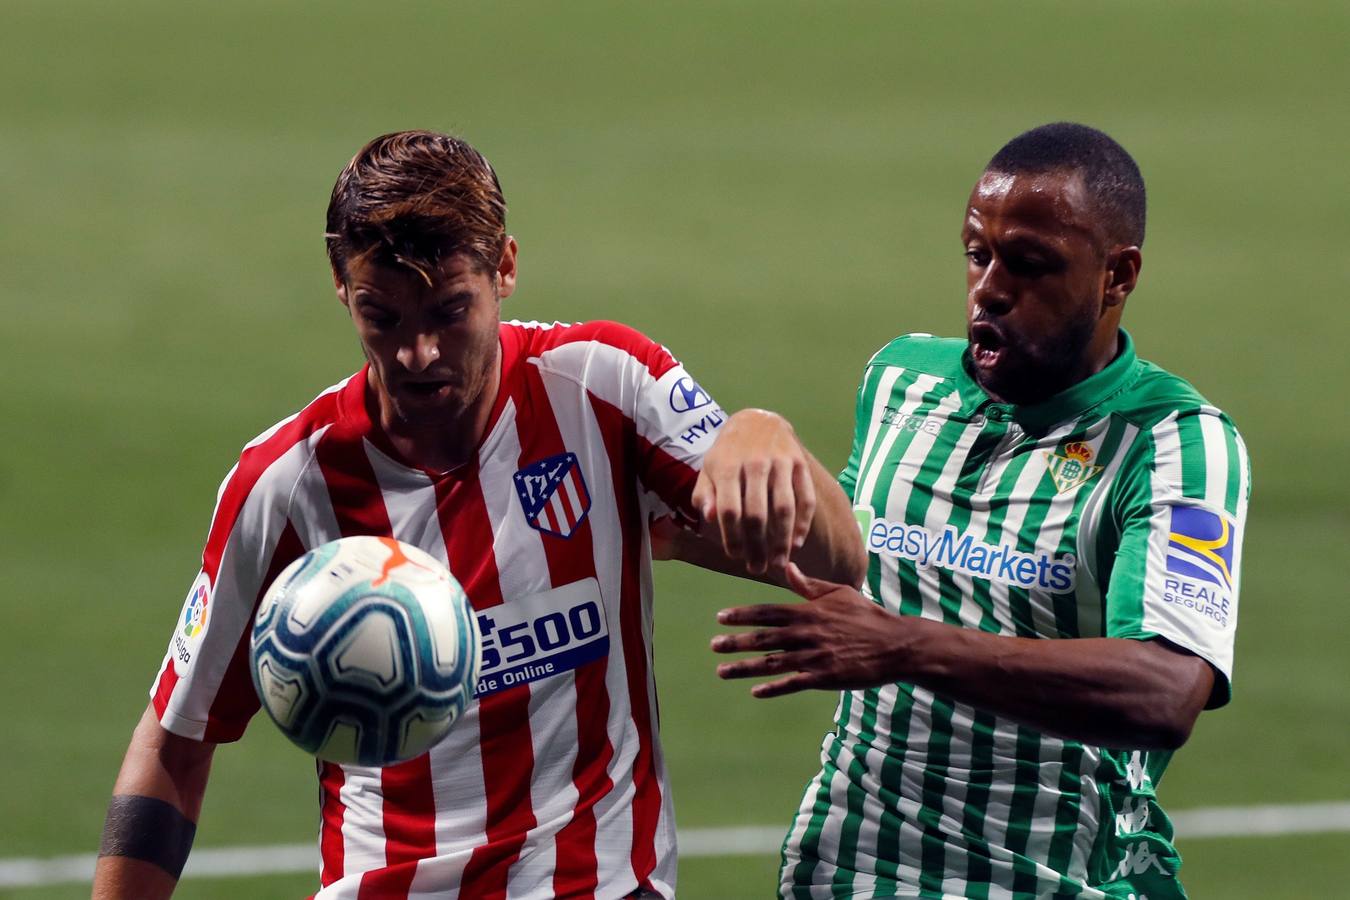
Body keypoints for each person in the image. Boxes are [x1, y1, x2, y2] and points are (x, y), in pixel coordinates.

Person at [92, 130, 866, 900]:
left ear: (506, 269)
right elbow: (174, 741)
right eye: (381, 315)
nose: (417, 354)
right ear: (340, 286)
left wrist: (767, 434)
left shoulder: (602, 386)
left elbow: (838, 561)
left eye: (448, 310)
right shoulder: (289, 483)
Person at [712, 123, 1250, 899]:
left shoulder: (1175, 443)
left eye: (1031, 265)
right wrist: (754, 430)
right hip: (849, 872)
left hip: (1050, 880)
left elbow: (1164, 690)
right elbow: (838, 554)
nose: (991, 288)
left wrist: (905, 647)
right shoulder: (903, 382)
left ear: (1117, 274)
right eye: (977, 254)